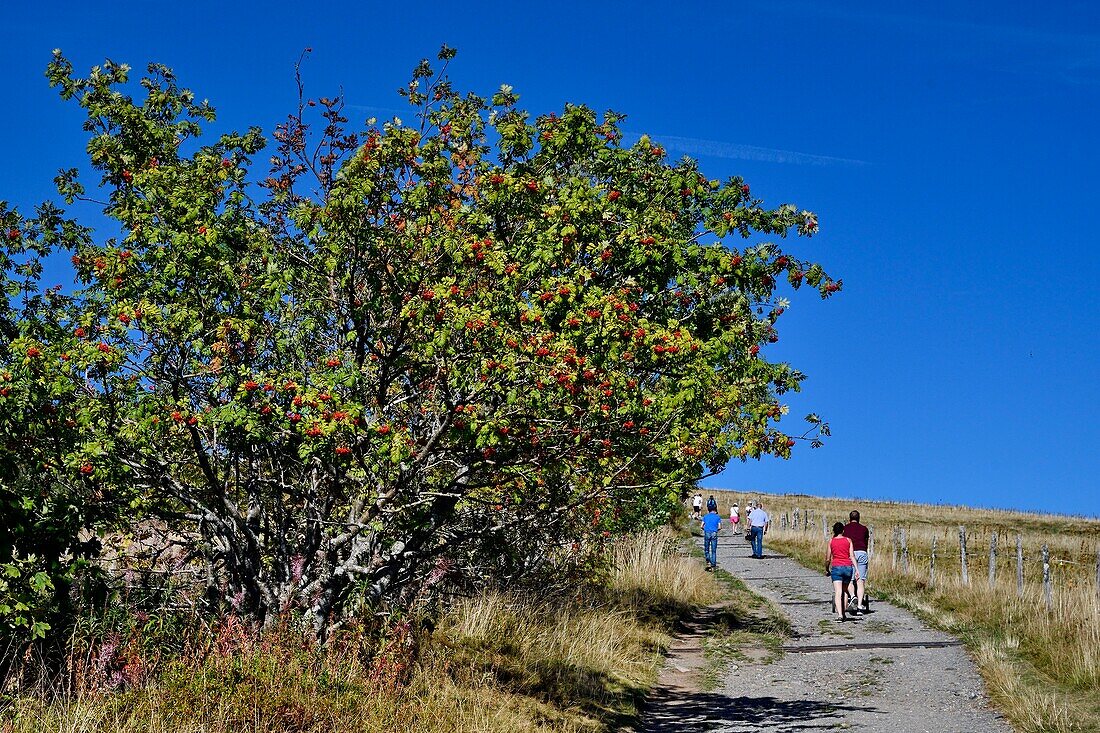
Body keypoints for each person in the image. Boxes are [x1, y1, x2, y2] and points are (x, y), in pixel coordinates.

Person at [825, 521, 859, 621]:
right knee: (845, 591)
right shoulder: (848, 540)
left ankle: (840, 615)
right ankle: (844, 613)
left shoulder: (831, 541)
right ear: (843, 531)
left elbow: (828, 558)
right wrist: (857, 570)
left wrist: (827, 569)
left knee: (838, 591)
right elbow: (852, 556)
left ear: (834, 531)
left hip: (836, 567)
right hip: (848, 567)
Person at [842, 510, 870, 613]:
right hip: (862, 553)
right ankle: (859, 606)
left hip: (851, 554)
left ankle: (853, 596)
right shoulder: (864, 529)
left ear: (849, 518)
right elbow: (866, 542)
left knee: (850, 579)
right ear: (859, 518)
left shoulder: (845, 529)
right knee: (860, 580)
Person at [701, 505, 722, 570]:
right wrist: (716, 530)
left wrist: (705, 529)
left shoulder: (705, 516)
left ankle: (708, 559)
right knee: (713, 550)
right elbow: (720, 527)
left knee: (706, 548)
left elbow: (701, 526)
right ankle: (713, 564)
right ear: (715, 510)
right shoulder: (717, 517)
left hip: (707, 532)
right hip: (714, 533)